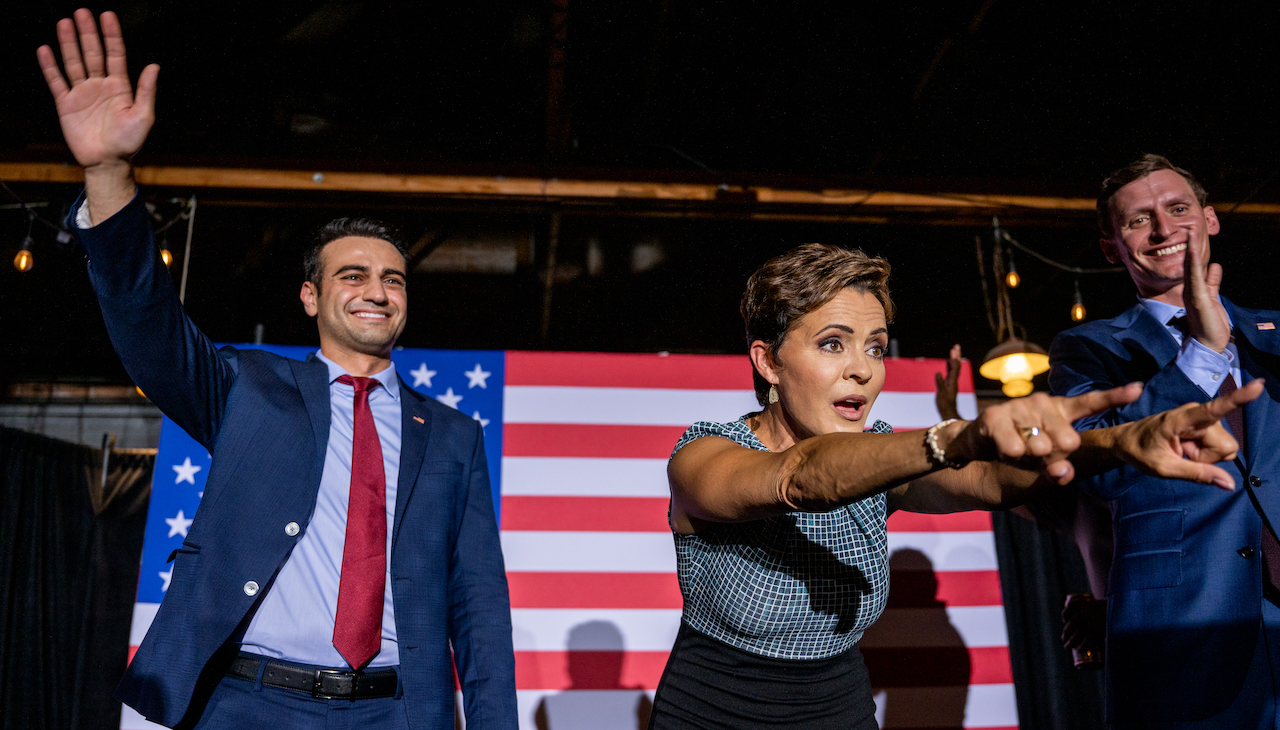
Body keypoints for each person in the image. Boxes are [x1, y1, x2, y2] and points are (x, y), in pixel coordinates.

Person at [36, 10, 516, 729]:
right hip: (246, 703)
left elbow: (479, 604)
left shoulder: (451, 435)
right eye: (352, 275)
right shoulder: (250, 388)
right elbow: (148, 327)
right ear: (311, 296)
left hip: (394, 713)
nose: (377, 291)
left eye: (394, 278)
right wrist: (107, 173)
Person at [648, 242, 1259, 728]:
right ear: (767, 362)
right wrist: (949, 438)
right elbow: (800, 479)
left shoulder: (879, 456)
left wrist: (1117, 443)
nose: (862, 367)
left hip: (836, 707)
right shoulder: (705, 454)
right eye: (832, 343)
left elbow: (990, 480)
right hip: (712, 710)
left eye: (875, 346)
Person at [1050, 153, 1280, 727]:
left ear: (1210, 219)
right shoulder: (1089, 348)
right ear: (1111, 248)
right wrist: (1200, 355)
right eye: (1137, 220)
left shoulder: (1276, 334)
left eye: (1177, 209)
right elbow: (1097, 468)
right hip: (1184, 628)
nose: (1162, 229)